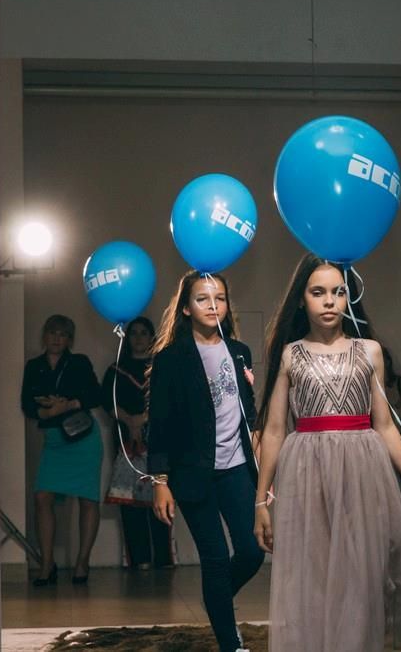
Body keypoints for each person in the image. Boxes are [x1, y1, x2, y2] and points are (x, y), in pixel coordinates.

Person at [253, 255, 401, 651]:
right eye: (317, 292)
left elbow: (384, 425)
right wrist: (261, 500)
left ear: (349, 298)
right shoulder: (290, 355)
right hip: (307, 470)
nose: (329, 301)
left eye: (338, 292)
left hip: (362, 468)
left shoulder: (370, 351)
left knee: (364, 572)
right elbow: (274, 430)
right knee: (315, 573)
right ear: (301, 299)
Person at [147, 272, 262, 652]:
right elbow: (159, 423)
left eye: (220, 298)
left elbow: (249, 413)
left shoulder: (240, 351)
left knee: (251, 551)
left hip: (236, 468)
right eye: (202, 299)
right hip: (192, 473)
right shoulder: (171, 359)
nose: (213, 305)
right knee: (214, 557)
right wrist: (160, 481)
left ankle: (216, 600)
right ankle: (231, 644)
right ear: (186, 308)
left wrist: (263, 466)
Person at [20, 314, 103, 586]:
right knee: (42, 496)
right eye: (52, 333)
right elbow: (27, 404)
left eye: (63, 334)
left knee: (87, 499)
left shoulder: (79, 362)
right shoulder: (34, 366)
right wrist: (46, 411)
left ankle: (82, 562)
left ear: (70, 340)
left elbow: (96, 395)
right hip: (54, 441)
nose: (57, 339)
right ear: (44, 336)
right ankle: (47, 564)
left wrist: (68, 404)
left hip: (83, 438)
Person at [101, 316, 173, 570]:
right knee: (129, 501)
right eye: (134, 333)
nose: (139, 338)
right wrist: (129, 420)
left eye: (144, 333)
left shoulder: (161, 367)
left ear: (152, 337)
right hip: (125, 441)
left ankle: (163, 558)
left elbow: (170, 400)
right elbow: (106, 400)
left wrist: (143, 419)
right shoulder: (116, 369)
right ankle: (138, 558)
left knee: (159, 495)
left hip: (157, 438)